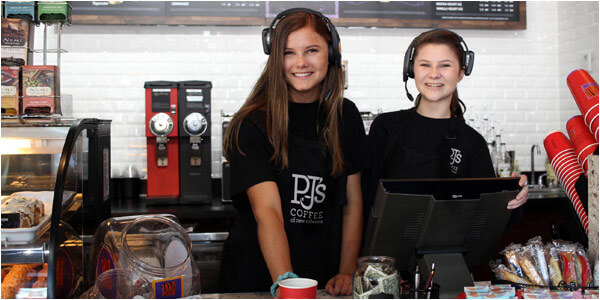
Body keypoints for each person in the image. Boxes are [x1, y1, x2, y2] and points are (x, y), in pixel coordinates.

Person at [220, 8, 368, 297]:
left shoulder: (345, 116)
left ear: (332, 53)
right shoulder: (252, 123)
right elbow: (269, 212)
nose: (300, 63)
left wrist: (347, 270)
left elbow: (353, 201)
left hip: (325, 277)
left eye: (311, 50)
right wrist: (287, 283)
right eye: (288, 53)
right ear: (276, 59)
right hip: (259, 280)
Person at [362, 29, 528, 224]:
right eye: (425, 65)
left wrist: (515, 199)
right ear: (411, 69)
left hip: (450, 251)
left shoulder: (472, 142)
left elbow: (490, 218)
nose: (434, 74)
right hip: (388, 250)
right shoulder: (386, 127)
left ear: (461, 72)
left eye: (445, 65)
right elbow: (366, 200)